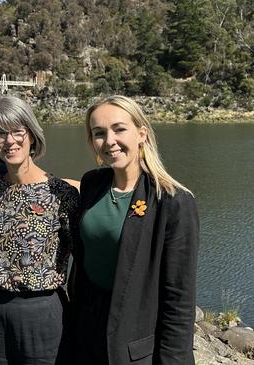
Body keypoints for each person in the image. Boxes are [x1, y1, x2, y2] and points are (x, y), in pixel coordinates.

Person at [69, 95, 199, 364]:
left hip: (133, 343)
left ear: (142, 134)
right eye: (99, 133)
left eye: (119, 129)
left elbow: (179, 299)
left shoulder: (172, 202)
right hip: (85, 332)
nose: (109, 141)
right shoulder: (93, 184)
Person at [0, 96, 79, 364]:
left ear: (32, 136)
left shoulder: (61, 193)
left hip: (41, 312)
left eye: (17, 131)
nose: (10, 141)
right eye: (0, 133)